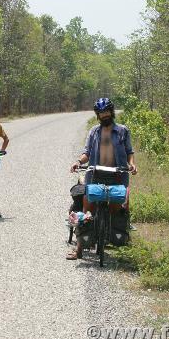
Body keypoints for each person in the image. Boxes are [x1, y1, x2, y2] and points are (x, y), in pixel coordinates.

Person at [67, 97, 137, 260]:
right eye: (101, 113)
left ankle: (116, 236)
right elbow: (87, 153)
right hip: (95, 175)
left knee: (117, 209)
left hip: (118, 176)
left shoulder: (122, 131)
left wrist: (132, 165)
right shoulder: (93, 132)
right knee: (87, 208)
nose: (104, 115)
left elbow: (129, 152)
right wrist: (78, 162)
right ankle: (78, 250)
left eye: (106, 112)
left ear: (111, 112)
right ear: (97, 115)